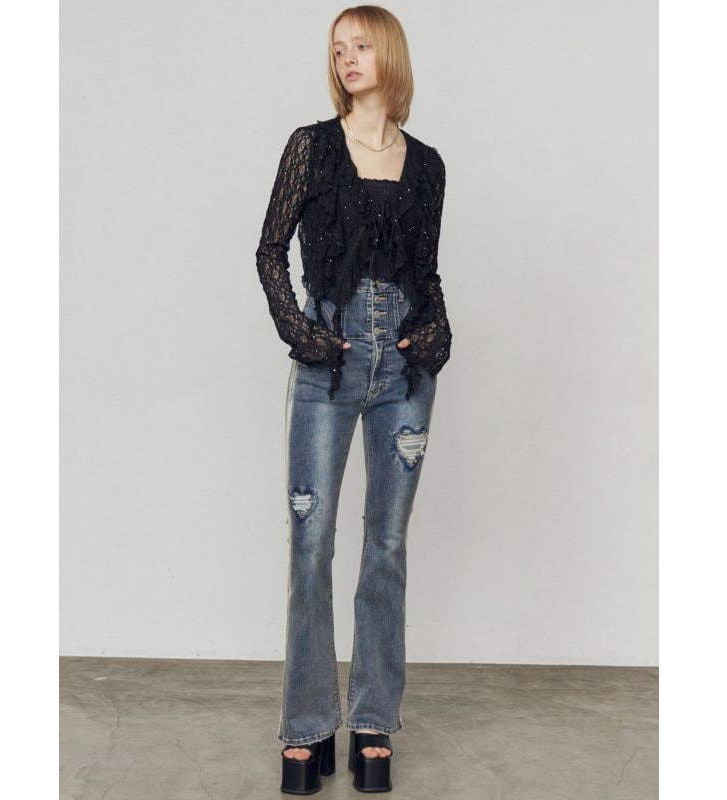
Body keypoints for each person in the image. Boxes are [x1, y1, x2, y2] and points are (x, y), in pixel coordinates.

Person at [255, 5, 452, 793]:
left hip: (405, 367)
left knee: (387, 548)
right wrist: (299, 330)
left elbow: (426, 273)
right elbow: (270, 250)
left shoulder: (427, 164)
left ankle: (373, 720)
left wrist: (437, 330)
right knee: (311, 546)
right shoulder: (311, 147)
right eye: (338, 49)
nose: (347, 58)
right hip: (328, 363)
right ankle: (309, 725)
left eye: (361, 45)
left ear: (390, 54)